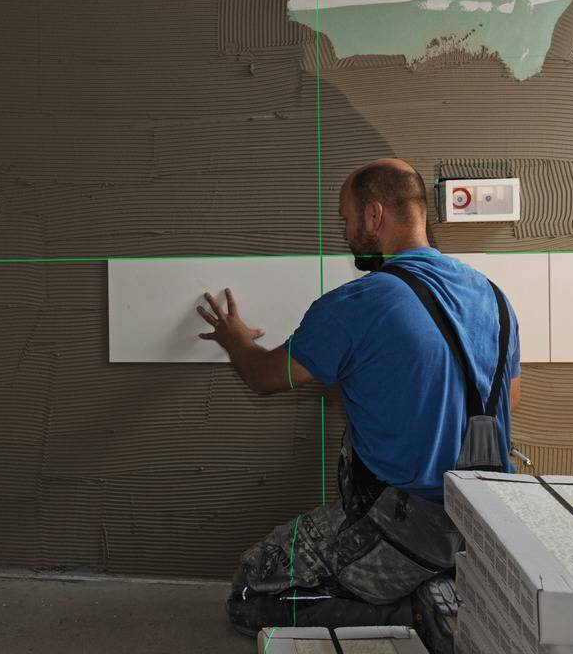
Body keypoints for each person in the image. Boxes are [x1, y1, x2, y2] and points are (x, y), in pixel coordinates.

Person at [197, 158, 520, 652]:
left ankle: (418, 606)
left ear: (374, 216)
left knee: (247, 593)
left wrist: (235, 338)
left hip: (401, 528)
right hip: (485, 524)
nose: (345, 231)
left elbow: (264, 377)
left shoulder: (360, 303)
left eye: (346, 218)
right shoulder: (494, 298)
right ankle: (441, 581)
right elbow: (509, 406)